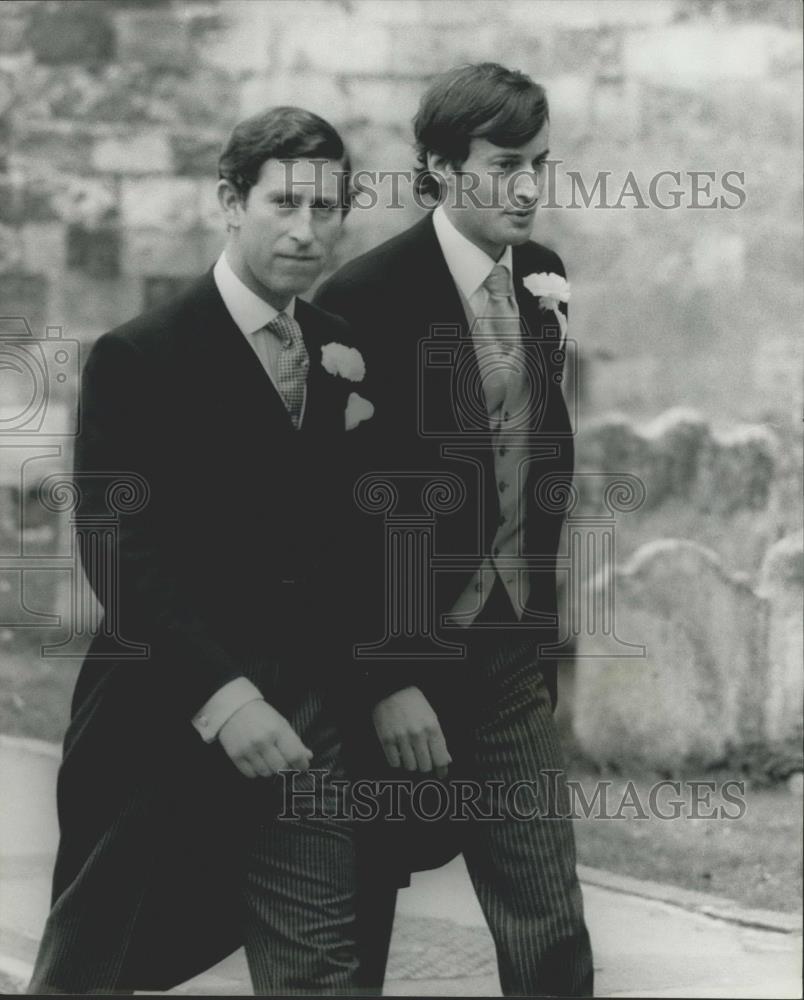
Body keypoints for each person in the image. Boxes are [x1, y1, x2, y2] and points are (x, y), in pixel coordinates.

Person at [29, 106, 372, 995]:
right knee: (92, 969)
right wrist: (225, 699)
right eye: (284, 203)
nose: (307, 230)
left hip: (313, 720)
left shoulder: (342, 350)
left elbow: (350, 541)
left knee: (321, 968)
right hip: (165, 713)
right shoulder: (141, 355)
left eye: (328, 208)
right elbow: (116, 546)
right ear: (230, 200)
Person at [316, 63, 594, 996]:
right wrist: (384, 678)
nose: (527, 188)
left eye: (540, 165)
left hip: (508, 656)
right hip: (397, 661)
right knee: (351, 935)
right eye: (505, 164)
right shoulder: (365, 297)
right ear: (438, 169)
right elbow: (338, 511)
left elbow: (539, 463)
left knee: (550, 928)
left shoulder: (545, 281)